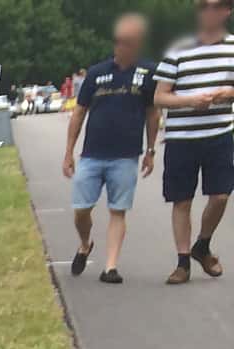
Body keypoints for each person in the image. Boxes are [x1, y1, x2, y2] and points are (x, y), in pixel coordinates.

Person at [63, 12, 162, 283]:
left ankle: (110, 267)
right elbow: (78, 113)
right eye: (120, 41)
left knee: (118, 210)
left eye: (129, 42)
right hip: (92, 154)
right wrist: (68, 152)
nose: (123, 46)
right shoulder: (96, 74)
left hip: (126, 156)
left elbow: (153, 114)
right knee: (82, 209)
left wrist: (151, 151)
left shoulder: (147, 73)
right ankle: (85, 244)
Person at [153, 0, 234, 282]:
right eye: (201, 6)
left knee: (221, 195)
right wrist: (189, 100)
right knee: (182, 200)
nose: (206, 12)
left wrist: (228, 92)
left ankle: (203, 244)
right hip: (182, 137)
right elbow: (159, 96)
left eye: (213, 6)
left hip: (219, 134)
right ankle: (183, 262)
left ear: (227, 11)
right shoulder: (178, 49)